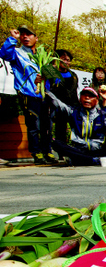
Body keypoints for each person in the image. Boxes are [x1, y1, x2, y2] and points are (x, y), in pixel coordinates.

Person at [0, 25, 55, 164]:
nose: (25, 37)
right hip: (28, 94)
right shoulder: (17, 52)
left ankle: (47, 151)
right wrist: (13, 38)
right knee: (33, 125)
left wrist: (45, 78)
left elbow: (54, 78)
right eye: (22, 34)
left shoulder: (44, 55)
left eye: (29, 34)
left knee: (46, 125)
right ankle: (36, 153)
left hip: (44, 95)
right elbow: (5, 54)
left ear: (36, 38)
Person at [47, 87, 106, 166]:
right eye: (84, 95)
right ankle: (93, 161)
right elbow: (57, 103)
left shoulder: (102, 115)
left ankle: (79, 160)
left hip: (98, 150)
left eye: (90, 96)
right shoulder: (74, 112)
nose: (87, 98)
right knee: (56, 144)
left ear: (96, 101)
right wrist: (44, 89)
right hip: (79, 150)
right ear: (80, 99)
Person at [46, 49, 79, 143]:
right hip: (57, 106)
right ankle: (60, 152)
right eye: (63, 59)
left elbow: (75, 91)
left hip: (73, 106)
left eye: (68, 60)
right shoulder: (52, 74)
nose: (66, 62)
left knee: (76, 128)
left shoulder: (73, 75)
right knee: (60, 129)